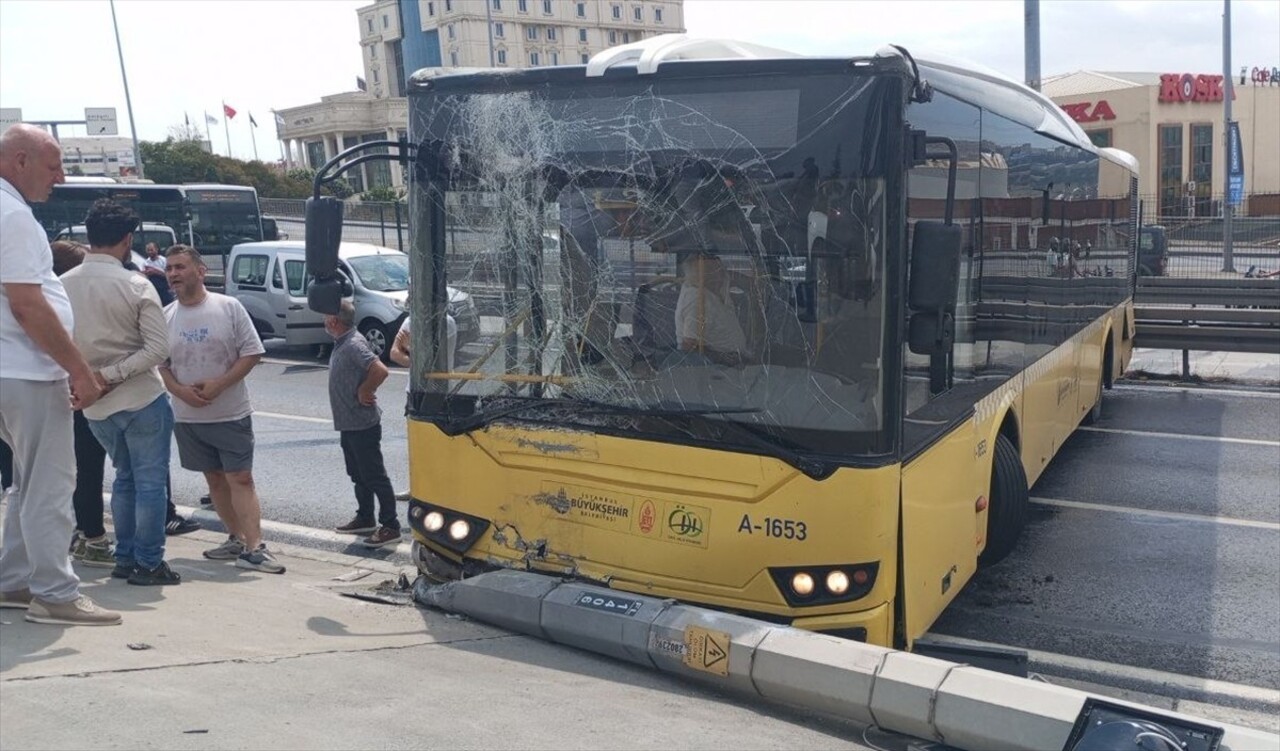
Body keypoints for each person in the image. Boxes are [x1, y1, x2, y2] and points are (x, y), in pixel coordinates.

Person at [0, 123, 120, 625]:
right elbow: (27, 304)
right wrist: (79, 369)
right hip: (27, 369)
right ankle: (55, 592)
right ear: (20, 160)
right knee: (50, 482)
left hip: (10, 369)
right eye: (53, 166)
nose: (61, 177)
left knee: (28, 482)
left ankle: (15, 580)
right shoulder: (11, 214)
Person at [61, 199, 179, 586]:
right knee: (149, 483)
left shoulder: (63, 285)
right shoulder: (136, 283)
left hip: (95, 407)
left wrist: (89, 380)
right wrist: (111, 375)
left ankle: (126, 557)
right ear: (127, 239)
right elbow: (158, 349)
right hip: (141, 396)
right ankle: (147, 562)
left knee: (124, 479)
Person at [160, 245, 284, 573]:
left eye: (180, 267)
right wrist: (178, 391)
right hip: (188, 416)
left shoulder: (228, 307)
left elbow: (252, 353)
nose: (173, 273)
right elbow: (163, 365)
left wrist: (220, 384)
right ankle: (235, 538)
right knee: (214, 480)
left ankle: (256, 546)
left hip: (230, 413)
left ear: (200, 272)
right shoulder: (166, 316)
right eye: (169, 268)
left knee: (240, 478)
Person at [328, 300, 402, 548]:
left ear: (334, 321)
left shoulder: (353, 344)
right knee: (357, 474)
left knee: (374, 475)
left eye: (327, 317)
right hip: (349, 423)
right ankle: (365, 516)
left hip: (362, 423)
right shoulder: (343, 342)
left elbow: (380, 370)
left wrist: (365, 389)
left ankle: (390, 525)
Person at [388, 312, 456, 502]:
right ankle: (416, 486)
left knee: (436, 441)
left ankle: (438, 488)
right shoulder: (410, 320)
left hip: (438, 390)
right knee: (415, 439)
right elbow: (394, 353)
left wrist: (409, 348)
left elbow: (431, 362)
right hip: (414, 389)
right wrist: (411, 357)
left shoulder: (446, 323)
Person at [674, 253, 752, 366]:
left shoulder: (716, 290)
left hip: (736, 362)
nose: (719, 275)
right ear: (699, 276)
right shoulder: (696, 299)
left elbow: (742, 280)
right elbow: (690, 346)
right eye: (712, 271)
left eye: (720, 270)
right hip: (718, 368)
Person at [140, 241, 173, 305]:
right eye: (148, 250)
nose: (150, 252)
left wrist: (155, 271)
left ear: (157, 249)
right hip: (152, 290)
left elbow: (168, 274)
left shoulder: (164, 260)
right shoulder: (146, 262)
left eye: (151, 250)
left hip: (164, 290)